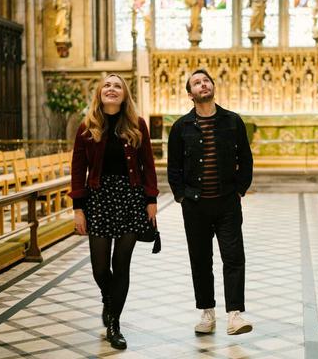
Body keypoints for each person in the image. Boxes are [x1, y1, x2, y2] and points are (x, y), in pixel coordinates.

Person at [69, 74, 158, 350]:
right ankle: (109, 299)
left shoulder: (136, 124)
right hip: (98, 199)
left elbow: (148, 165)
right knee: (99, 267)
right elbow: (77, 169)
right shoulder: (87, 127)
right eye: (107, 85)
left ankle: (114, 323)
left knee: (121, 266)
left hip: (130, 199)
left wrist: (151, 200)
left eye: (117, 85)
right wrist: (78, 208)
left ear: (124, 94)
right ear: (99, 93)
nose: (111, 89)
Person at [167, 69, 253, 335]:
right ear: (189, 93)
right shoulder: (181, 127)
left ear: (213, 86)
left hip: (227, 203)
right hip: (195, 205)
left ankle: (235, 315)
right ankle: (207, 313)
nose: (202, 84)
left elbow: (246, 159)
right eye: (196, 82)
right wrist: (181, 196)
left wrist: (240, 189)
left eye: (206, 81)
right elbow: (174, 167)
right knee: (201, 259)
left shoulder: (232, 121)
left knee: (233, 257)